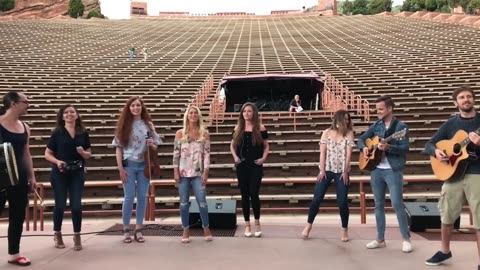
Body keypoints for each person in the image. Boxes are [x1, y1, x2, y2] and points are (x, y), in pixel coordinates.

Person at [424, 86, 480, 268]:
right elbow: (429, 144)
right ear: (456, 102)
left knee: (479, 220)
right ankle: (444, 251)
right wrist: (437, 151)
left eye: (469, 96)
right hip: (452, 176)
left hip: (476, 174)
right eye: (462, 97)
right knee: (446, 216)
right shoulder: (451, 124)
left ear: (473, 100)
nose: (466, 100)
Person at [357, 95, 413, 253]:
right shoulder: (376, 125)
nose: (378, 112)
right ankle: (380, 239)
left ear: (390, 108)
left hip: (393, 170)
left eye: (381, 109)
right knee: (378, 205)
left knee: (396, 204)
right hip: (376, 170)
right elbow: (361, 139)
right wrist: (364, 148)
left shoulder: (401, 127)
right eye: (377, 109)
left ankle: (406, 239)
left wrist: (389, 148)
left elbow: (405, 148)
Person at [113, 97, 161, 243]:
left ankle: (139, 229)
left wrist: (152, 144)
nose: (135, 108)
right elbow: (118, 149)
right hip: (129, 164)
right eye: (133, 105)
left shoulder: (148, 124)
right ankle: (126, 229)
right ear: (129, 108)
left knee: (142, 197)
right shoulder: (124, 125)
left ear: (142, 107)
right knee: (128, 197)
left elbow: (156, 145)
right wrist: (120, 168)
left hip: (144, 165)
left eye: (138, 105)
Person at [302, 110, 354, 241]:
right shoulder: (326, 132)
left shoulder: (349, 133)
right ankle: (308, 226)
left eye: (348, 119)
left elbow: (348, 154)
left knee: (342, 201)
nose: (347, 122)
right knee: (317, 198)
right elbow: (322, 153)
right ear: (338, 119)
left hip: (342, 171)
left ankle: (344, 230)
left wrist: (345, 171)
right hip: (327, 169)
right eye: (345, 119)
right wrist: (322, 170)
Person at [45, 105, 92, 251]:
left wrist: (83, 153)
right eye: (66, 112)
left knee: (76, 205)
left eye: (72, 112)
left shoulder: (83, 132)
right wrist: (57, 161)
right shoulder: (57, 133)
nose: (69, 114)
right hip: (60, 172)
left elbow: (89, 153)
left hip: (77, 172)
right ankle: (57, 233)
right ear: (62, 116)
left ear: (77, 115)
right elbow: (47, 154)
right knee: (60, 205)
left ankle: (76, 234)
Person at [0, 91, 36, 266]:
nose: (28, 105)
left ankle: (14, 253)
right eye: (25, 102)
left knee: (17, 216)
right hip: (0, 177)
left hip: (19, 178)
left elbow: (26, 154)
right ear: (13, 104)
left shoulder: (25, 127)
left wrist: (31, 176)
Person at [173, 106, 213, 243]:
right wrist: (175, 172)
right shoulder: (180, 133)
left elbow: (207, 155)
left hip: (198, 173)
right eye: (191, 113)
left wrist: (206, 172)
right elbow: (176, 155)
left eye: (196, 113)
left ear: (199, 116)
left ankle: (206, 227)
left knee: (202, 201)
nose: (193, 115)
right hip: (183, 173)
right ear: (187, 115)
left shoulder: (205, 134)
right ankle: (185, 229)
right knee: (184, 203)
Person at [230, 102, 269, 237]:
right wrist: (235, 157)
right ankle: (247, 225)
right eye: (244, 111)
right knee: (244, 195)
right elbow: (233, 145)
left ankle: (257, 223)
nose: (246, 113)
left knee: (254, 193)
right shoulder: (238, 128)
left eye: (249, 111)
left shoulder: (260, 128)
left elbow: (266, 146)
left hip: (256, 165)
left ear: (254, 113)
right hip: (242, 165)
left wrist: (264, 158)